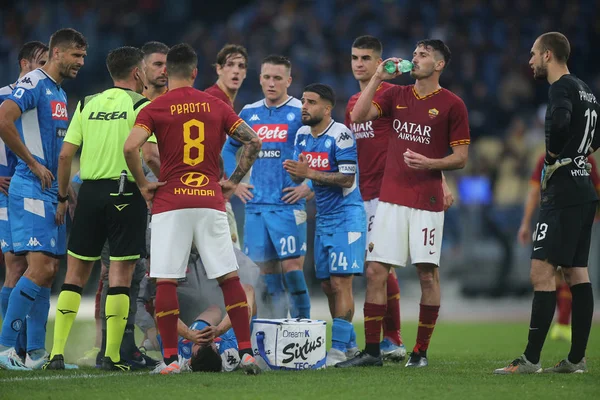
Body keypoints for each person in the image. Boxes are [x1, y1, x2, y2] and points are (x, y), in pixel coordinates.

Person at [123, 43, 262, 375]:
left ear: (166, 72)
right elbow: (254, 141)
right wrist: (233, 180)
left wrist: (144, 184)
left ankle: (170, 360)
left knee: (166, 281)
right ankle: (246, 353)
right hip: (210, 200)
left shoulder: (155, 107)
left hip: (171, 202)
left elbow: (131, 147)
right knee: (229, 279)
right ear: (196, 73)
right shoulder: (216, 105)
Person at [337, 39, 470, 369]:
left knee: (427, 275)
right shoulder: (395, 95)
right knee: (376, 270)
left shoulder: (453, 105)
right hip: (391, 198)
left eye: (423, 55)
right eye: (414, 53)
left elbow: (461, 157)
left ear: (438, 65)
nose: (415, 58)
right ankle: (372, 351)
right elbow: (357, 115)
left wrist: (430, 164)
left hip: (426, 201)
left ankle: (420, 352)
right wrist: (378, 78)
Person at [495, 32, 599, 374]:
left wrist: (554, 153)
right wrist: (579, 157)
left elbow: (559, 120)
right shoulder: (587, 90)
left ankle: (531, 360)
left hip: (564, 190)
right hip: (584, 187)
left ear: (548, 55)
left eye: (533, 54)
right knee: (576, 272)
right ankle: (575, 360)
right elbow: (596, 136)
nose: (530, 61)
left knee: (541, 271)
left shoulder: (561, 88)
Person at [42, 46, 152, 372]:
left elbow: (65, 156)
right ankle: (112, 356)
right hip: (125, 191)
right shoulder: (142, 106)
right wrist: (148, 186)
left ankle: (56, 354)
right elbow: (151, 155)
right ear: (137, 73)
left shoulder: (87, 103)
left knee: (74, 276)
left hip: (88, 192)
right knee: (120, 276)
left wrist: (63, 197)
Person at [0, 28, 87, 371]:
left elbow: (61, 152)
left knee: (49, 271)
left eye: (83, 56)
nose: (81, 62)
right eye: (76, 56)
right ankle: (7, 347)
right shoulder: (34, 83)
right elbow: (4, 119)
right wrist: (32, 163)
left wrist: (65, 193)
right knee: (36, 268)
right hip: (30, 186)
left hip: (51, 190)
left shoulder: (59, 93)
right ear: (57, 53)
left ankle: (35, 352)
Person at [222, 55, 311, 319]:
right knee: (266, 276)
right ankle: (277, 332)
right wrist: (235, 183)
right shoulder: (249, 112)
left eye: (277, 78)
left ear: (289, 81)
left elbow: (320, 152)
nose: (271, 83)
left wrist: (307, 185)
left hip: (288, 205)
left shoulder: (300, 112)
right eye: (267, 78)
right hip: (257, 207)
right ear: (260, 79)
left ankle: (303, 329)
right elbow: (228, 150)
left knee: (293, 272)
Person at [283, 83, 366, 367]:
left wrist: (310, 173)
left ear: (327, 108)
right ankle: (352, 345)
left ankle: (339, 350)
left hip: (347, 215)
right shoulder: (303, 135)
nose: (304, 106)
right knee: (328, 285)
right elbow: (302, 176)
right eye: (303, 101)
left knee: (342, 282)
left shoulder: (341, 135)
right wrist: (297, 175)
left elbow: (347, 180)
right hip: (324, 218)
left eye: (311, 102)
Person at [345, 35, 406, 362]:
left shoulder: (392, 95)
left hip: (388, 193)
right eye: (355, 57)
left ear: (379, 62)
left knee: (375, 269)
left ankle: (388, 342)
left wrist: (440, 181)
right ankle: (391, 342)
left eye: (366, 58)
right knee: (382, 271)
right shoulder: (353, 100)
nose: (358, 63)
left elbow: (415, 136)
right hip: (360, 195)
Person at [0, 41, 48, 367]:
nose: (45, 68)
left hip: (32, 190)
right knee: (17, 268)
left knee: (41, 266)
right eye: (40, 62)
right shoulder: (5, 96)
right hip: (6, 194)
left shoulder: (45, 98)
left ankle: (34, 352)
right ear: (24, 63)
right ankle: (10, 349)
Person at [519, 154, 600, 343]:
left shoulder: (545, 159)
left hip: (551, 218)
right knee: (567, 273)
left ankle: (561, 326)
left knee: (554, 273)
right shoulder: (586, 159)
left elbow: (533, 192)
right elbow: (595, 190)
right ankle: (564, 327)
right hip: (575, 218)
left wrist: (525, 223)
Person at [205, 43, 251, 249]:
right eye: (230, 65)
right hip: (211, 194)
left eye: (241, 66)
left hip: (206, 191)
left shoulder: (221, 99)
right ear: (218, 69)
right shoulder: (215, 100)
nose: (236, 70)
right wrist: (232, 181)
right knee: (232, 261)